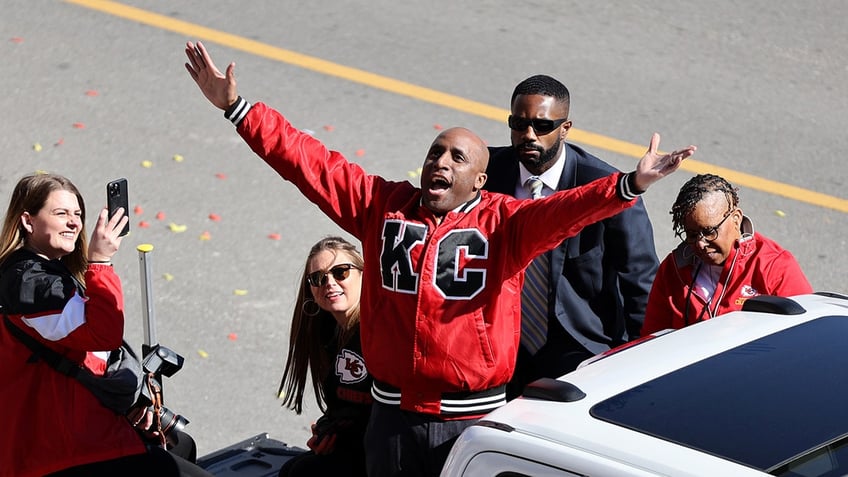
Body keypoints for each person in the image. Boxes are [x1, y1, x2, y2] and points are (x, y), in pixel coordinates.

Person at [184, 40, 696, 477]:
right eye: (435, 152)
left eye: (457, 158)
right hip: (390, 420)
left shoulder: (506, 223)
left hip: (469, 428)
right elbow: (308, 161)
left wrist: (630, 184)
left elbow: (569, 209)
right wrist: (238, 109)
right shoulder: (381, 208)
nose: (440, 163)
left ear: (481, 179)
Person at [0, 173, 214, 477]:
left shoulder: (48, 274)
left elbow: (89, 358)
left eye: (78, 214)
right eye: (60, 213)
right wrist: (100, 262)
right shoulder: (30, 283)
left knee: (180, 444)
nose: (74, 222)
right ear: (28, 221)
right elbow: (102, 334)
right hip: (62, 451)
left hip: (83, 432)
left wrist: (133, 405)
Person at [485, 74, 660, 398]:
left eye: (542, 126)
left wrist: (642, 362)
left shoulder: (606, 188)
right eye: (518, 124)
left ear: (565, 128)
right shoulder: (488, 172)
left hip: (578, 344)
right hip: (498, 336)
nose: (528, 135)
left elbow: (640, 279)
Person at [642, 173, 813, 334]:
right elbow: (652, 338)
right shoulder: (673, 268)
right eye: (692, 235)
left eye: (709, 231)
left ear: (736, 219)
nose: (701, 244)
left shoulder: (775, 266)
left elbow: (805, 334)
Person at [277, 236, 371, 477]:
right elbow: (346, 406)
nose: (329, 282)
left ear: (363, 274)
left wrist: (340, 432)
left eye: (340, 272)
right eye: (318, 278)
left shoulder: (377, 332)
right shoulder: (329, 333)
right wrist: (327, 428)